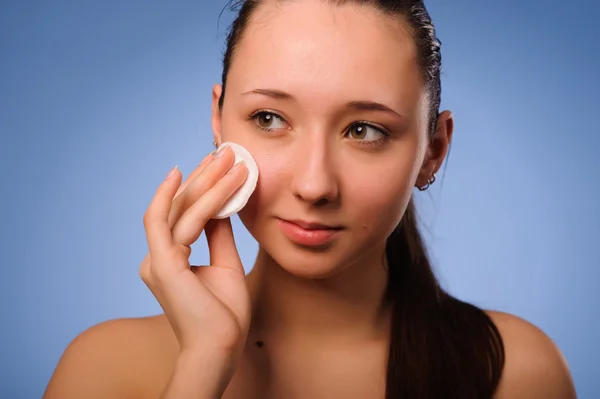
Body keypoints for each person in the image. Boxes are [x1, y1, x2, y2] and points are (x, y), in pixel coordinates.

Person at [43, 0, 577, 398]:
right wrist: (204, 365)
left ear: (433, 150)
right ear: (218, 119)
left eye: (364, 130)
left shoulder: (513, 372)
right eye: (269, 119)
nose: (315, 185)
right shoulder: (102, 370)